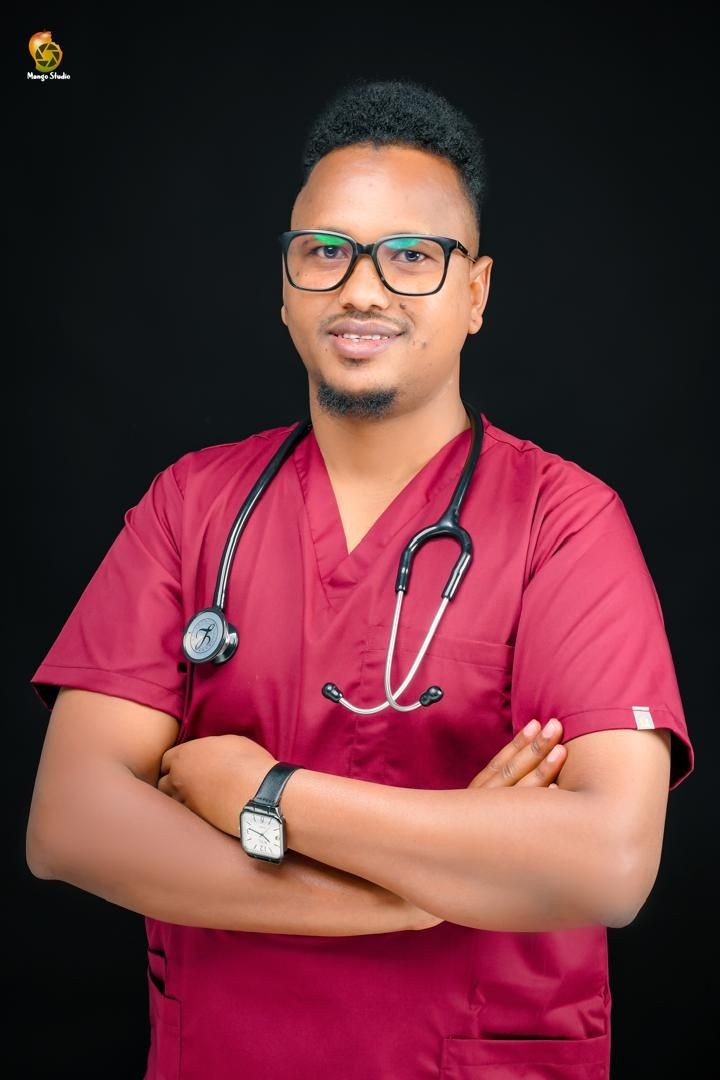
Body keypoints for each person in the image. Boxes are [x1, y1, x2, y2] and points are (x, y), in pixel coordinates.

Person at [26, 77, 694, 1080]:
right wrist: (413, 894)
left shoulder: (565, 521)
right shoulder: (192, 505)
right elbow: (69, 823)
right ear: (286, 289)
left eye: (413, 256)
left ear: (476, 294)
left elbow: (608, 861)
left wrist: (266, 791)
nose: (362, 287)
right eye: (325, 252)